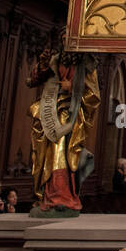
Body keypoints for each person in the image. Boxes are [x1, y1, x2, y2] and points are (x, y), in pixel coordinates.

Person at [28, 45, 100, 217]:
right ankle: (48, 195)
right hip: (49, 110)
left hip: (70, 112)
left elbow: (94, 95)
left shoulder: (87, 65)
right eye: (64, 40)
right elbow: (33, 80)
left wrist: (73, 88)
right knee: (45, 153)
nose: (68, 45)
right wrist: (42, 66)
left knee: (60, 152)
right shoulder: (55, 60)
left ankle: (62, 196)